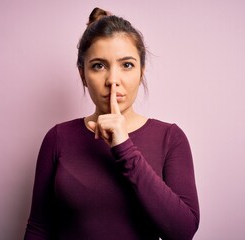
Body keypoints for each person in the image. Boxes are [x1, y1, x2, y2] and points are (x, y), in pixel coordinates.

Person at [24, 7, 199, 240]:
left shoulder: (170, 138)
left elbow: (183, 231)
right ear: (82, 74)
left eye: (126, 65)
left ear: (141, 71)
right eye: (99, 65)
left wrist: (123, 146)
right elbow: (39, 228)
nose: (113, 80)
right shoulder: (58, 138)